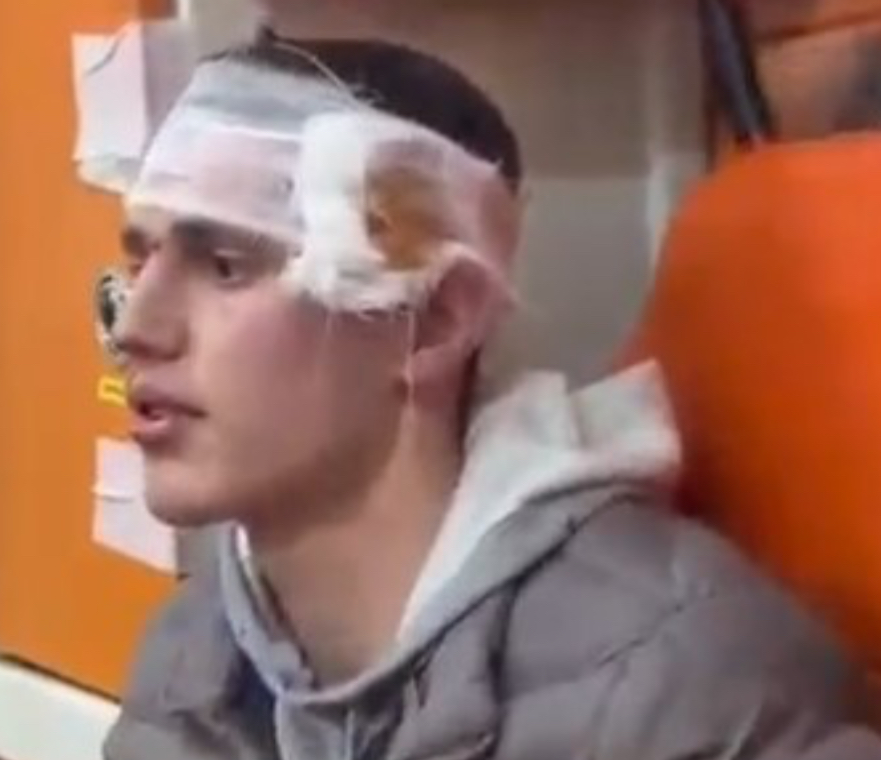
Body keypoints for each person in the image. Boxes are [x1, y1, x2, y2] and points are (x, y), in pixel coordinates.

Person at [97, 30, 881, 760]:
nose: (134, 328)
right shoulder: (192, 664)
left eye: (226, 265)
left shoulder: (680, 690)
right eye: (140, 266)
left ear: (434, 320)